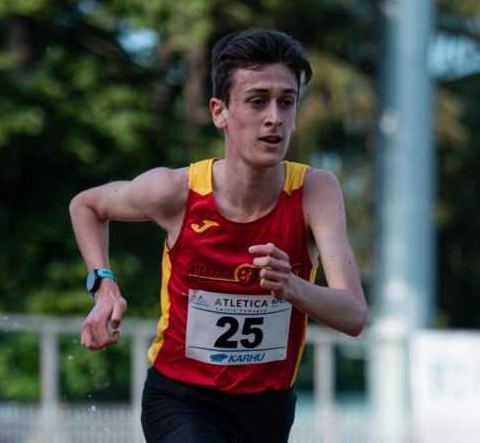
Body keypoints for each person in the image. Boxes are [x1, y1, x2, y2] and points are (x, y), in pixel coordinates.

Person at [69, 27, 368, 443]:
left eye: (287, 102)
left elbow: (353, 315)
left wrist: (292, 286)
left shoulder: (314, 192)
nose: (274, 118)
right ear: (219, 112)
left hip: (268, 410)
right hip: (180, 399)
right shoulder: (175, 192)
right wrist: (103, 286)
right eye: (257, 101)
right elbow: (86, 206)